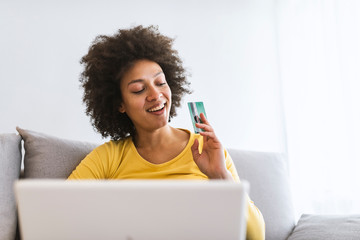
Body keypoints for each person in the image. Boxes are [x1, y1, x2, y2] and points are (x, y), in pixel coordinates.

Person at [68, 25, 265, 239]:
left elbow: (256, 235)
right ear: (119, 104)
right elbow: (61, 212)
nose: (156, 94)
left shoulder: (207, 149)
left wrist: (220, 176)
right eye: (139, 89)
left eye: (160, 82)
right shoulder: (108, 157)